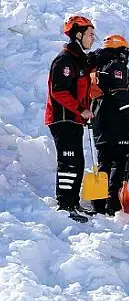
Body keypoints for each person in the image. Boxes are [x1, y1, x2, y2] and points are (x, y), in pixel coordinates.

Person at [44, 15, 96, 222]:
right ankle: (65, 205)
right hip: (62, 118)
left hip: (74, 119)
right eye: (90, 35)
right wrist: (80, 109)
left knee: (77, 161)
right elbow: (59, 91)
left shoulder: (79, 61)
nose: (93, 39)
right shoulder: (65, 60)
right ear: (78, 34)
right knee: (68, 162)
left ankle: (72, 202)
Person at [90, 34, 129, 215]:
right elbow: (121, 95)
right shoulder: (116, 67)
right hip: (119, 125)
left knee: (103, 164)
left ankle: (97, 204)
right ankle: (114, 203)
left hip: (100, 125)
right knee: (121, 163)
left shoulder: (97, 68)